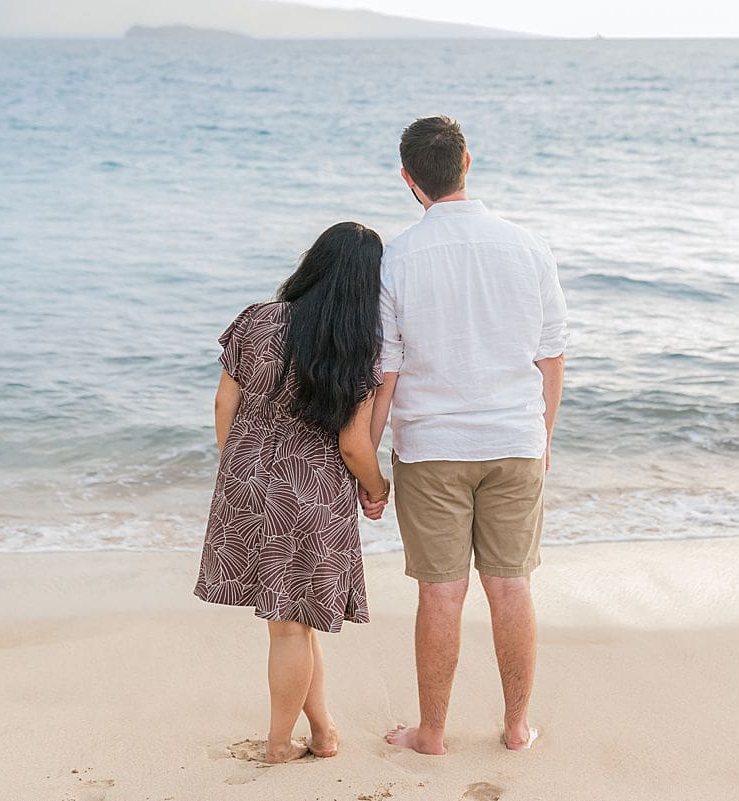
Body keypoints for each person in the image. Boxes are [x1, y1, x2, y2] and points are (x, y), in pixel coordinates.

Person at [372, 116, 567, 755]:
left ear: (408, 178)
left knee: (441, 591)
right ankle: (515, 727)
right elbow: (551, 355)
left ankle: (432, 733)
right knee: (512, 585)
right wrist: (543, 438)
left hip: (430, 448)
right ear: (467, 162)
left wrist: (368, 466)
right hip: (515, 440)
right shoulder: (529, 247)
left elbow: (387, 371)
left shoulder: (397, 257)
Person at [195, 221, 391, 764]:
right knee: (291, 625)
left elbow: (222, 407)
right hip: (313, 494)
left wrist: (239, 466)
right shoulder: (355, 347)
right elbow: (354, 445)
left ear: (313, 263)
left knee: (292, 625)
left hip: (248, 482)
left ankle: (321, 734)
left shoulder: (257, 319)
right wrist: (378, 490)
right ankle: (281, 744)